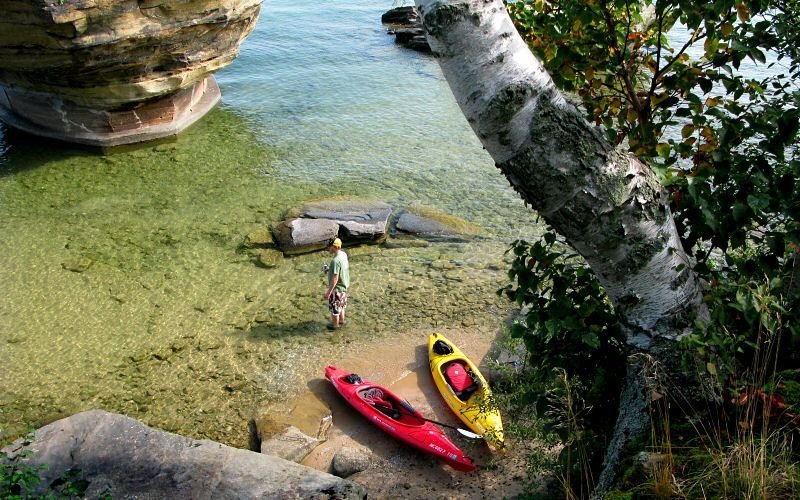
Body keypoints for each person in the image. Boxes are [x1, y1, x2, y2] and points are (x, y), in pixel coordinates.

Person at [324, 237, 349, 330]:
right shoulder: (343, 255)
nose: (328, 248)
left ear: (335, 247)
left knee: (335, 310)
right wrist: (328, 270)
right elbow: (341, 270)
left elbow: (335, 278)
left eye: (330, 247)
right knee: (341, 306)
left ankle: (335, 326)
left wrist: (328, 293)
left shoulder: (335, 261)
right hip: (344, 288)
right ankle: (342, 321)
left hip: (337, 290)